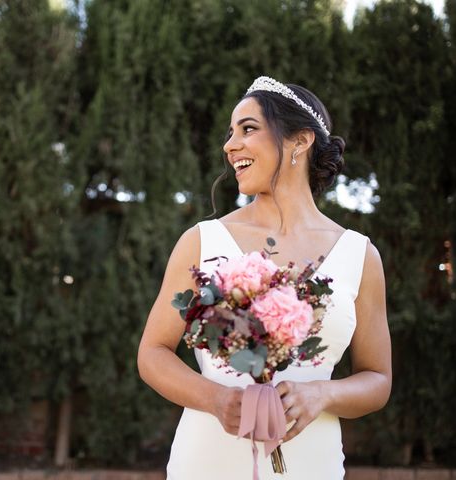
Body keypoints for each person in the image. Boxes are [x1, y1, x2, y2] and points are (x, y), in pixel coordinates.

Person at [137, 76, 392, 479]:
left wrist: (322, 393)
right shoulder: (202, 241)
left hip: (313, 464)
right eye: (230, 133)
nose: (229, 145)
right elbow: (152, 353)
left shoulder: (360, 255)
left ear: (300, 141)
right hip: (208, 461)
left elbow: (378, 380)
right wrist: (217, 398)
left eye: (248, 129)